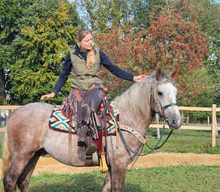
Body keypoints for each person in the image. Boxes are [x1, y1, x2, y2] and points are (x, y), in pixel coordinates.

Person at [41, 28, 147, 158]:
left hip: (95, 89)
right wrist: (54, 92)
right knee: (80, 105)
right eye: (87, 40)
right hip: (77, 89)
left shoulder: (98, 53)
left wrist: (133, 78)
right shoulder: (72, 55)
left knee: (88, 104)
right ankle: (84, 138)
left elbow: (113, 69)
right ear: (79, 42)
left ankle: (86, 138)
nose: (91, 42)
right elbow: (63, 75)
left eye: (91, 39)